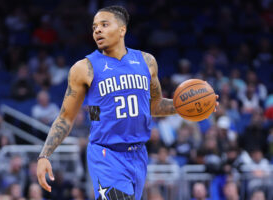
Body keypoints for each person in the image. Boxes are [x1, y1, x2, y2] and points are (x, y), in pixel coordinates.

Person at [36, 5, 219, 200]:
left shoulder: (147, 62)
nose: (97, 30)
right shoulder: (84, 68)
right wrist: (44, 155)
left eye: (104, 25)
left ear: (122, 30)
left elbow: (154, 106)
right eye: (94, 27)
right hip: (106, 154)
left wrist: (191, 106)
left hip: (138, 155)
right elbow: (66, 117)